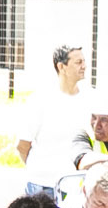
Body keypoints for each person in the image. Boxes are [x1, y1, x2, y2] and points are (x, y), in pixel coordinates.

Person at [15, 44, 101, 195]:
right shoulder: (40, 99)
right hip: (43, 186)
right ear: (61, 67)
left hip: (77, 184)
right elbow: (23, 145)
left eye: (84, 61)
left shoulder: (90, 97)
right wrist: (41, 170)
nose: (84, 66)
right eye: (78, 62)